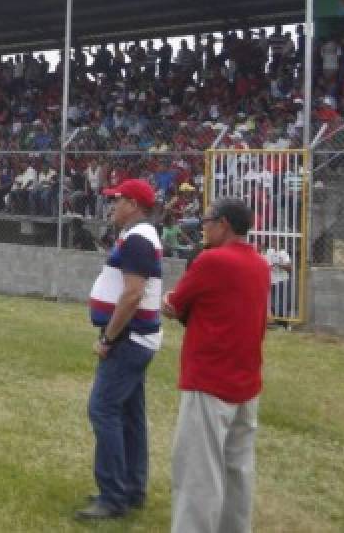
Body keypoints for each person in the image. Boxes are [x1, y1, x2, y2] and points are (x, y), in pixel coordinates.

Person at [161, 198, 271, 533]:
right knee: (237, 470)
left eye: (207, 220)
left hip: (209, 379)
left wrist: (168, 299)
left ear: (223, 224)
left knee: (198, 473)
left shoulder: (213, 261)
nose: (203, 226)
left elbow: (174, 304)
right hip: (246, 379)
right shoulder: (260, 263)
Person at [76, 178, 163, 521]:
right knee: (129, 415)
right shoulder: (139, 235)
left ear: (135, 205)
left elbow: (131, 294)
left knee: (103, 409)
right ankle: (131, 488)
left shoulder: (138, 238)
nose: (113, 206)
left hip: (128, 339)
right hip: (136, 337)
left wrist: (108, 338)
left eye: (119, 200)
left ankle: (113, 496)